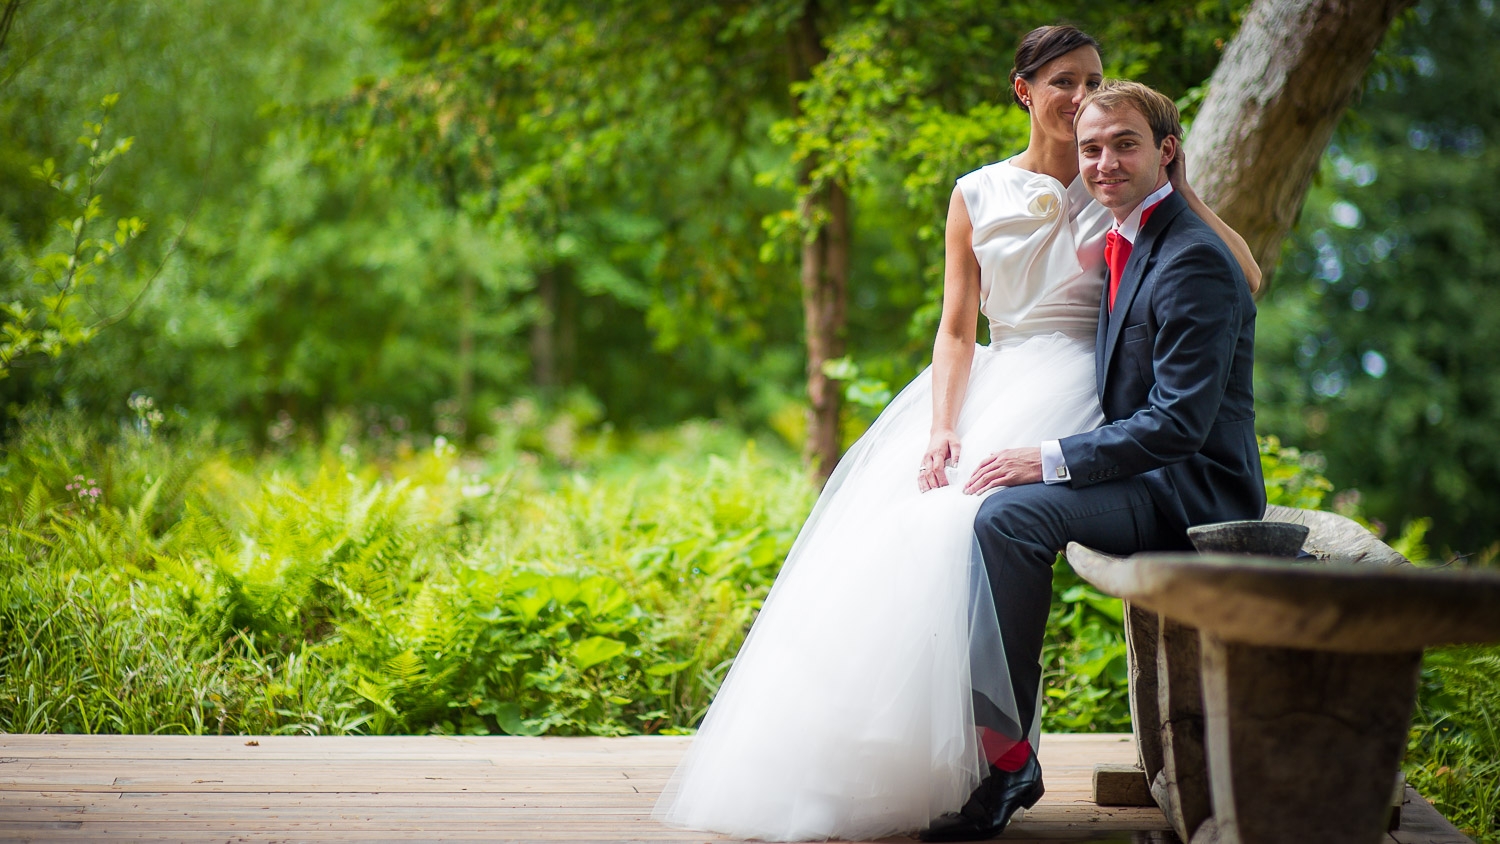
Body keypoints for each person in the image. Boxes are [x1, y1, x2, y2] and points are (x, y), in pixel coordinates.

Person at [653, 26, 1260, 842]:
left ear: (1157, 147)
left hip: (1101, 406)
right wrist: (943, 427)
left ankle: (1001, 757)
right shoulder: (991, 190)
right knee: (914, 534)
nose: (1084, 102)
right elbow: (955, 328)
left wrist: (1177, 180)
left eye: (1096, 83)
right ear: (1025, 90)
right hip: (1012, 382)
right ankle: (938, 752)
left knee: (984, 523)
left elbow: (1231, 284)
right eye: (1066, 84)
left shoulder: (1127, 187)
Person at [919, 80, 1266, 842]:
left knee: (1009, 517)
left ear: (1168, 153)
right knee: (970, 518)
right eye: (1092, 149)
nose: (1104, 163)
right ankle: (1001, 750)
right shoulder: (1126, 237)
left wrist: (1043, 458)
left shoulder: (1192, 258)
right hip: (1147, 479)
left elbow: (1178, 424)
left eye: (1125, 145)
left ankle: (1009, 761)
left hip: (1193, 492)